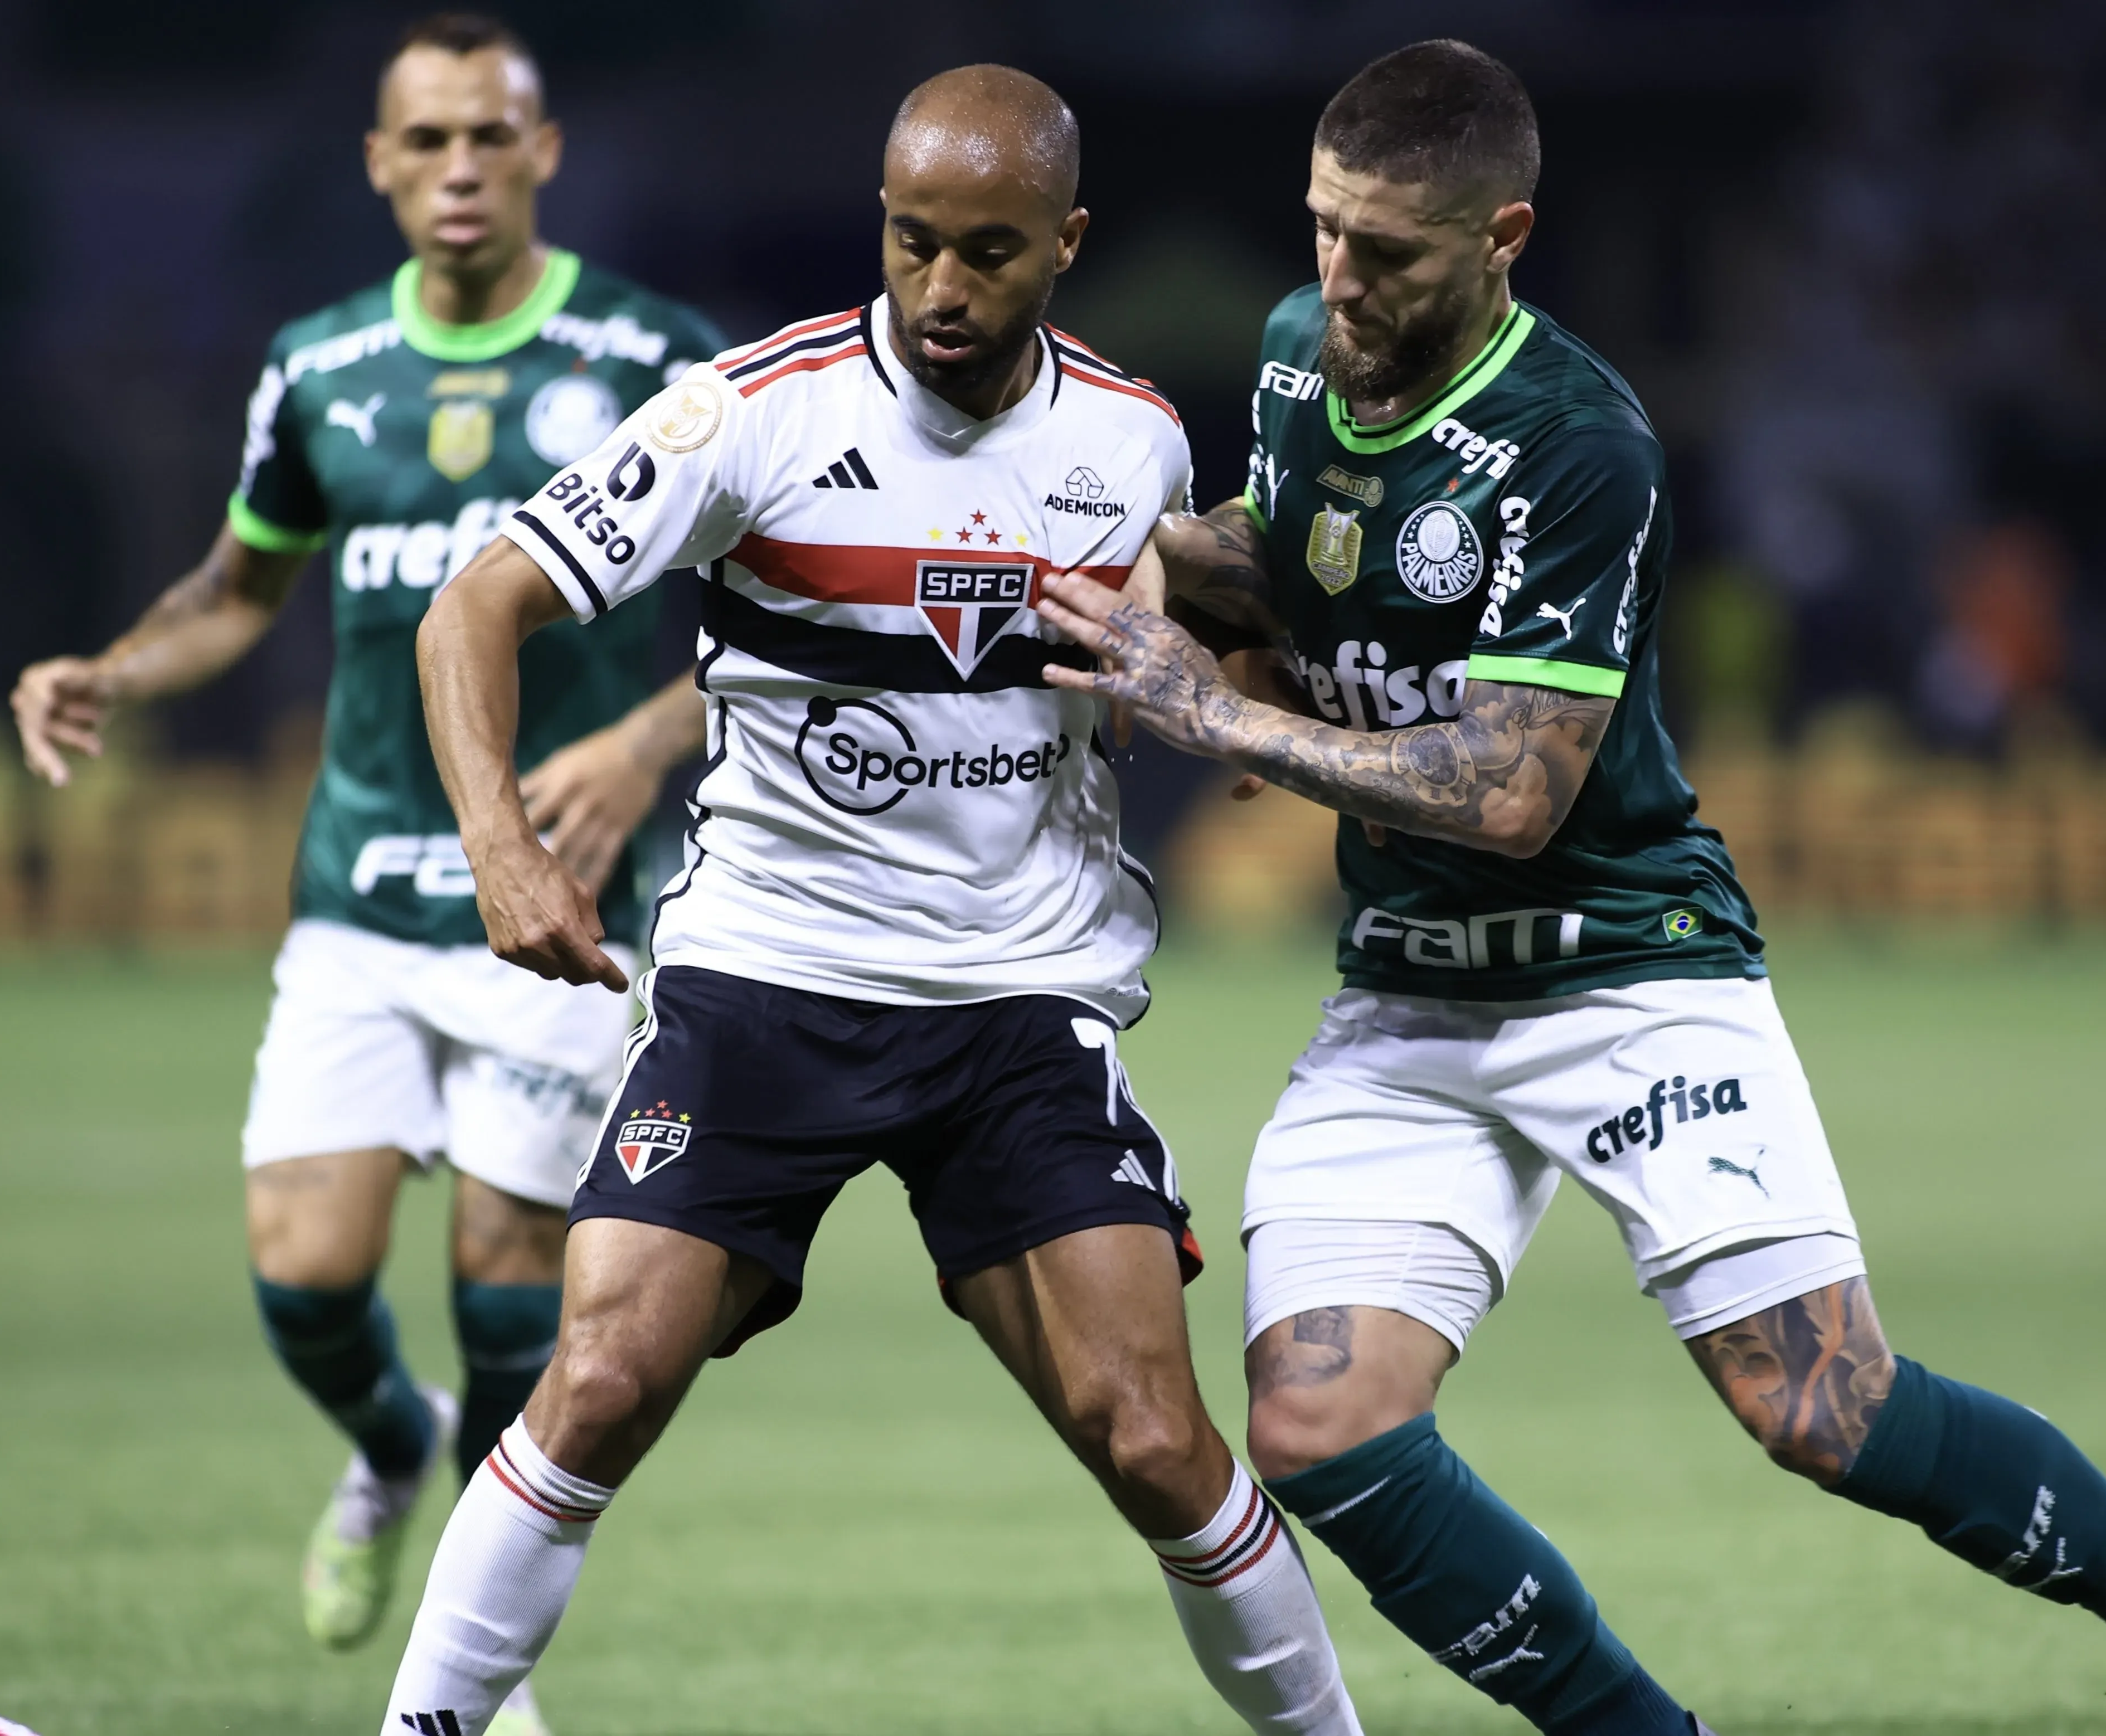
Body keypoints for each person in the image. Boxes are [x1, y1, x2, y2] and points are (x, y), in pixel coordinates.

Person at [1036, 38, 2106, 1736]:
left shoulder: (1582, 443)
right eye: (1322, 230)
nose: (1340, 280)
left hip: (1626, 967)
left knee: (1826, 1410)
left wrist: (1213, 711)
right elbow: (1300, 559)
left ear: (1503, 235)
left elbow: (1515, 795)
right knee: (1321, 1434)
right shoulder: (1303, 358)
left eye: (1390, 251)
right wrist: (1138, 562)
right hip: (1412, 995)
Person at [375, 63, 1365, 1736]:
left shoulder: (1130, 437)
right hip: (766, 976)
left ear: (1069, 243)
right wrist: (502, 845)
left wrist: (1253, 687)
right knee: (603, 1379)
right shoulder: (750, 414)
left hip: (1020, 994)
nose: (944, 289)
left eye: (990, 252)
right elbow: (475, 607)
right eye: (913, 243)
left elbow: (1190, 584)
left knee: (1151, 1436)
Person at [7, 17, 721, 1724]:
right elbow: (241, 590)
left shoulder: (655, 354)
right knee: (304, 1272)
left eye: (492, 136)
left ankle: (482, 1677)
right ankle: (388, 1452)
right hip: (359, 896)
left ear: (545, 152)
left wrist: (642, 745)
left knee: (503, 1287)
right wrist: (113, 664)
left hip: (560, 909)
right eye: (427, 142)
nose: (460, 169)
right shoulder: (320, 369)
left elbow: (791, 611)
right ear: (380, 164)